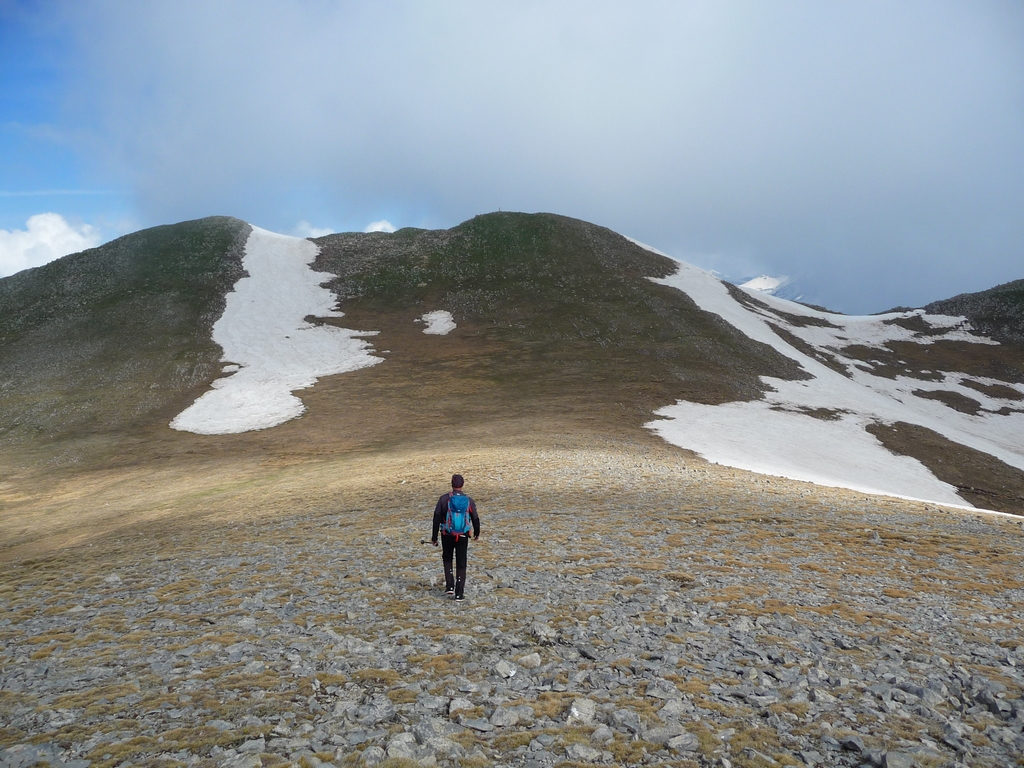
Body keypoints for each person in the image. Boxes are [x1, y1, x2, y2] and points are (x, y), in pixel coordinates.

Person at [431, 473, 480, 601]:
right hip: (463, 534)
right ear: (462, 484)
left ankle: (449, 586)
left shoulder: (444, 499)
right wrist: (477, 533)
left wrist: (434, 537)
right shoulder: (468, 500)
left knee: (447, 558)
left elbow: (436, 518)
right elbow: (475, 517)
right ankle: (459, 593)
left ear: (452, 484)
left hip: (447, 534)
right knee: (461, 562)